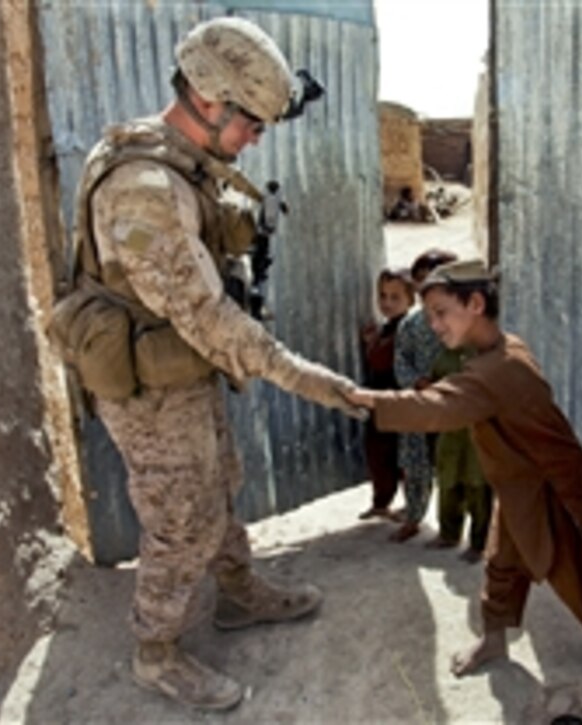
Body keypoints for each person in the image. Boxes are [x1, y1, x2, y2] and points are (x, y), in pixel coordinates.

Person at [60, 17, 364, 711]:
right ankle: (156, 648)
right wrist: (308, 378)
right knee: (180, 516)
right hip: (149, 386)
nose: (255, 138)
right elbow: (206, 317)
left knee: (220, 479)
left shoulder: (176, 161)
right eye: (249, 123)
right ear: (208, 100)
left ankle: (239, 593)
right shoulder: (143, 186)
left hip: (184, 369)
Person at [346, 259, 582, 680]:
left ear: (476, 303)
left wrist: (365, 399)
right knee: (501, 563)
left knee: (575, 570)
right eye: (429, 316)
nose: (434, 325)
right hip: (519, 485)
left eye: (441, 313)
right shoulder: (499, 349)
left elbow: (435, 408)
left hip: (551, 486)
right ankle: (495, 639)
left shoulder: (496, 370)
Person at [389, 249, 458, 542]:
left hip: (454, 406)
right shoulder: (412, 324)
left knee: (453, 470)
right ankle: (413, 517)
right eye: (419, 282)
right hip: (419, 405)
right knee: (415, 466)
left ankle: (451, 530)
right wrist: (416, 382)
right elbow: (401, 359)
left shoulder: (462, 321)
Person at [426, 344, 492, 563]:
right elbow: (433, 386)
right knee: (448, 482)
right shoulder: (443, 357)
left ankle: (479, 543)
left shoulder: (487, 355)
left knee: (478, 486)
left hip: (478, 432)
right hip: (450, 430)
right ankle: (448, 533)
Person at [357, 267, 414, 520]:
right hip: (380, 402)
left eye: (395, 297)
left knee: (402, 457)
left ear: (410, 300)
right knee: (379, 455)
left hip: (399, 403)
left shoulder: (405, 330)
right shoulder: (388, 328)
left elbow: (381, 360)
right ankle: (381, 502)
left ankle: (411, 506)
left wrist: (372, 344)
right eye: (382, 296)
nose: (386, 303)